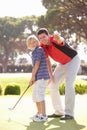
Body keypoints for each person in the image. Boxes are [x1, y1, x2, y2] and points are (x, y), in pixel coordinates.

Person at [37, 28, 80, 120]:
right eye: (40, 38)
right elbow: (47, 61)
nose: (42, 39)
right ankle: (59, 112)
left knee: (69, 84)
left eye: (44, 36)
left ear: (48, 35)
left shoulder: (55, 39)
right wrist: (51, 75)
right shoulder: (43, 46)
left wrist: (58, 37)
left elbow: (61, 41)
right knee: (52, 85)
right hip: (62, 64)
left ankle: (69, 113)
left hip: (73, 60)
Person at [26, 35, 50, 122]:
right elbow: (35, 67)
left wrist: (32, 77)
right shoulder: (33, 52)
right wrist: (33, 78)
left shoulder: (39, 50)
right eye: (30, 43)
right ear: (28, 45)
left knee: (40, 96)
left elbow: (37, 64)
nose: (33, 44)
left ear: (37, 42)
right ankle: (39, 113)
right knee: (35, 97)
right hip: (38, 77)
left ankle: (43, 115)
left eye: (34, 41)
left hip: (42, 76)